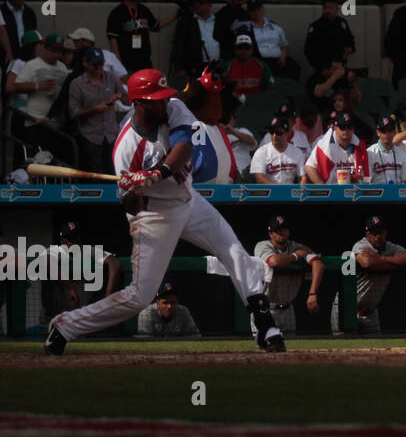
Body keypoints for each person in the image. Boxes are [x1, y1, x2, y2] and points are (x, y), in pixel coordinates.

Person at [45, 69, 285, 355]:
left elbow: (183, 148)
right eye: (155, 100)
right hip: (153, 215)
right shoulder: (126, 148)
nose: (164, 103)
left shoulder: (173, 107)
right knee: (139, 296)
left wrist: (156, 174)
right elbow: (129, 207)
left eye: (163, 97)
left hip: (188, 200)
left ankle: (264, 324)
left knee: (233, 250)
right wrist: (133, 188)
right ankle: (65, 325)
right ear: (139, 103)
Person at [342, 215, 406, 334]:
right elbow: (368, 263)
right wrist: (395, 262)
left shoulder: (390, 247)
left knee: (376, 348)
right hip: (347, 307)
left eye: (381, 232)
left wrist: (381, 258)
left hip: (370, 311)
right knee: (342, 347)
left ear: (386, 233)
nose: (378, 236)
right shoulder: (361, 245)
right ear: (367, 234)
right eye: (374, 233)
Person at [255, 214, 325, 337]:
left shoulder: (295, 246)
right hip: (265, 308)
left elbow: (318, 263)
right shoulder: (263, 245)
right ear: (271, 233)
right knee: (264, 348)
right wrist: (295, 256)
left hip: (288, 309)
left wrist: (312, 293)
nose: (282, 232)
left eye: (285, 229)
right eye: (278, 230)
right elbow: (274, 261)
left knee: (289, 350)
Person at [106, 0, 177, 74]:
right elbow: (113, 40)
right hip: (126, 63)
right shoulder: (117, 13)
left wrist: (176, 15)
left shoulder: (144, 10)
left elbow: (156, 26)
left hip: (144, 62)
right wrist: (119, 65)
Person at [304, 111, 369, 183]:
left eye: (349, 127)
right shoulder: (324, 145)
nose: (346, 130)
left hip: (354, 189)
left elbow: (366, 175)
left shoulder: (360, 147)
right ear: (335, 128)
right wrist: (322, 187)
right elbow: (309, 167)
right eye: (342, 127)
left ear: (353, 129)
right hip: (332, 189)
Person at [135, 282, 201, 338]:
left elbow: (195, 336)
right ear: (158, 303)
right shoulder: (146, 313)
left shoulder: (183, 311)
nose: (169, 306)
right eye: (165, 303)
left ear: (177, 302)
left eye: (173, 302)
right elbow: (144, 341)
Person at [250, 117, 304, 183]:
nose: (274, 136)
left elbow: (303, 176)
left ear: (287, 134)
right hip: (269, 191)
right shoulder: (261, 152)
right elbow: (259, 177)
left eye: (279, 133)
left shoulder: (297, 152)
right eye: (272, 132)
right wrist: (278, 189)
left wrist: (300, 191)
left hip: (289, 190)